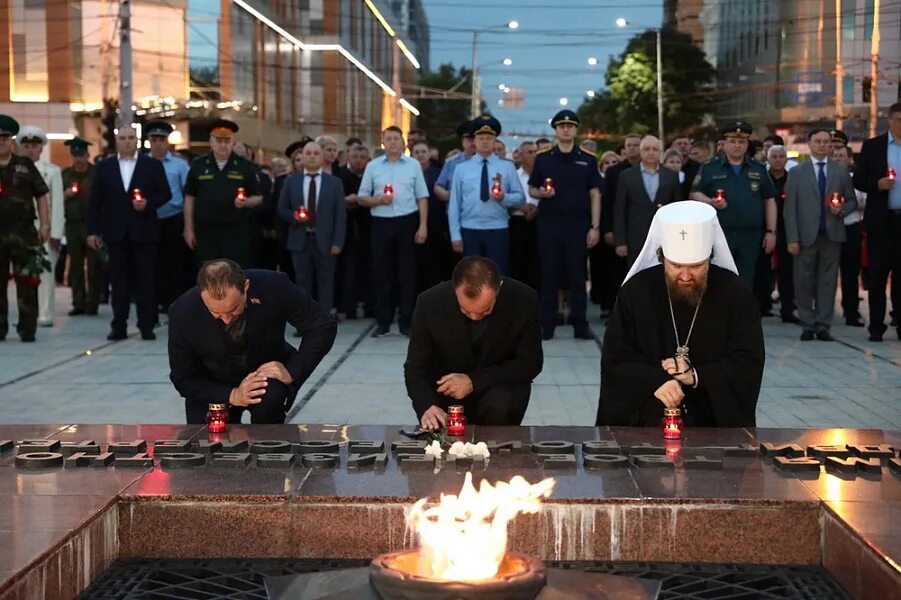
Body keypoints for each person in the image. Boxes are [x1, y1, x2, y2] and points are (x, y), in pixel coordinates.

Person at [596, 201, 764, 427]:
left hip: (712, 423)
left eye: (696, 266)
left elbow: (748, 362)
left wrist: (697, 376)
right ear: (662, 257)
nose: (685, 276)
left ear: (710, 257)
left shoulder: (736, 295)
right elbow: (615, 360)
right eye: (676, 266)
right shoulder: (636, 292)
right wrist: (655, 381)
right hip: (646, 422)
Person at [168, 259, 337, 424]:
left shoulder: (273, 286)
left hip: (264, 374)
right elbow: (183, 377)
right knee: (204, 443)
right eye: (216, 312)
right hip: (211, 383)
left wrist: (293, 370)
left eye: (233, 309)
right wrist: (233, 395)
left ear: (246, 287)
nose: (226, 319)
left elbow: (322, 326)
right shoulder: (183, 312)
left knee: (269, 407)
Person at [406, 257, 542, 429]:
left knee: (499, 404)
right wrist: (426, 406)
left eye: (485, 311)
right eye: (465, 311)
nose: (475, 317)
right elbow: (415, 368)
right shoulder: (430, 303)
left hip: (499, 388)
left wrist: (474, 381)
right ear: (454, 289)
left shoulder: (523, 300)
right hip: (447, 393)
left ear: (498, 289)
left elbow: (531, 363)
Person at [88, 125, 171, 340]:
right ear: (117, 140)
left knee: (146, 280)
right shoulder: (104, 167)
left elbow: (165, 194)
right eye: (123, 138)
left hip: (144, 232)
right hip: (116, 233)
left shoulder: (151, 165)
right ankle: (119, 325)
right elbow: (95, 201)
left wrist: (148, 203)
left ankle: (146, 325)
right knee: (119, 281)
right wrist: (93, 231)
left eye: (130, 138)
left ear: (137, 140)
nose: (127, 141)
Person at [528, 110, 602, 340]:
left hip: (578, 224)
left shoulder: (588, 159)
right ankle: (547, 324)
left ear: (576, 129)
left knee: (578, 275)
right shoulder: (544, 157)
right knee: (548, 274)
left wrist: (595, 226)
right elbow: (532, 188)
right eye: (561, 126)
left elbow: (595, 194)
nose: (566, 129)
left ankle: (580, 324)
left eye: (570, 126)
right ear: (556, 130)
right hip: (550, 223)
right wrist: (541, 193)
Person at [784, 128, 858, 341]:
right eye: (818, 142)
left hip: (832, 235)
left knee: (827, 282)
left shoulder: (840, 171)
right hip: (805, 237)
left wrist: (842, 210)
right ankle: (807, 323)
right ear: (810, 144)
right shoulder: (798, 172)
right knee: (803, 281)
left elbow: (851, 200)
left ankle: (823, 325)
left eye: (826, 142)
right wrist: (792, 238)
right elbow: (790, 209)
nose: (823, 145)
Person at [357, 126, 429, 337]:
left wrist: (422, 225)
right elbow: (362, 197)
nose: (393, 142)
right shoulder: (373, 166)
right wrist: (378, 199)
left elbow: (422, 197)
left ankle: (406, 321)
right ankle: (383, 321)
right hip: (381, 222)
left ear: (403, 142)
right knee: (381, 273)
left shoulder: (413, 165)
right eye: (388, 138)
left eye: (396, 138)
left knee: (407, 274)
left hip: (407, 222)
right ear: (383, 142)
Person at [690, 121, 777, 287]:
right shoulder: (710, 168)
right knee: (718, 280)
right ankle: (721, 313)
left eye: (742, 141)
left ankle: (741, 313)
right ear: (724, 144)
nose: (737, 145)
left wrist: (771, 232)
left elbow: (769, 200)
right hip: (719, 234)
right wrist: (710, 202)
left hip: (750, 236)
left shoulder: (758, 169)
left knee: (746, 280)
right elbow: (694, 193)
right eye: (732, 141)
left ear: (747, 144)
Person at [277, 141, 346, 317]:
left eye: (316, 153)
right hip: (300, 239)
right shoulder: (291, 181)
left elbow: (340, 215)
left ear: (322, 157)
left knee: (326, 281)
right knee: (302, 282)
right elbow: (281, 209)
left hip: (326, 240)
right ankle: (305, 321)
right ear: (302, 157)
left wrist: (338, 242)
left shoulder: (334, 182)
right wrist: (294, 217)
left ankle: (323, 321)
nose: (312, 156)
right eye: (308, 153)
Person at [448, 115, 524, 274]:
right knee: (471, 276)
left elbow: (519, 197)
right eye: (480, 137)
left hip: (497, 229)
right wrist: (455, 234)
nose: (484, 141)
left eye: (489, 138)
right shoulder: (462, 169)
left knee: (497, 274)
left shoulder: (507, 167)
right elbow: (454, 204)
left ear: (495, 140)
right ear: (474, 140)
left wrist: (504, 198)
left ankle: (499, 300)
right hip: (469, 229)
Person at [183, 119, 262, 267]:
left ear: (233, 142)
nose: (223, 145)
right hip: (206, 231)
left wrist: (246, 202)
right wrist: (188, 229)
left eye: (227, 141)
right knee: (207, 272)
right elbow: (189, 197)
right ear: (211, 142)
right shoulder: (198, 165)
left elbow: (258, 197)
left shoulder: (245, 167)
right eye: (218, 140)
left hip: (236, 231)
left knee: (234, 273)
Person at [853, 101, 901, 342]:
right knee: (877, 276)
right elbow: (859, 180)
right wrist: (877, 184)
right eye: (899, 120)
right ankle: (875, 326)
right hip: (882, 222)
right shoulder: (873, 147)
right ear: (890, 121)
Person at [0, 115, 50, 342]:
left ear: (12, 141)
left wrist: (45, 223)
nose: (1, 141)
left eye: (5, 137)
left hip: (24, 234)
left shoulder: (25, 165)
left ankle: (27, 328)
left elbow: (41, 195)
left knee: (27, 282)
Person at [17, 126, 63, 327]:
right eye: (26, 146)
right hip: (20, 230)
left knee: (46, 274)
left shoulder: (52, 171)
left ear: (41, 148)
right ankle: (26, 312)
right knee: (23, 274)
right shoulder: (14, 170)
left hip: (44, 230)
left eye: (34, 146)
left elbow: (58, 204)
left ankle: (45, 313)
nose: (30, 150)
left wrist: (56, 232)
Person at [614, 135, 682, 267]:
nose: (651, 152)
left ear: (661, 153)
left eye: (655, 149)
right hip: (635, 238)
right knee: (637, 279)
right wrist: (620, 241)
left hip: (665, 238)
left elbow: (677, 208)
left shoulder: (671, 176)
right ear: (641, 152)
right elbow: (620, 210)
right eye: (647, 149)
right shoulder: (626, 176)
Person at [145, 121, 191, 314]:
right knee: (151, 263)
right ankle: (154, 302)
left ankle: (173, 302)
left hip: (173, 218)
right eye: (154, 140)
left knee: (174, 263)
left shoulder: (180, 165)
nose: (158, 144)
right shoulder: (142, 164)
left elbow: (187, 192)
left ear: (167, 141)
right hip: (150, 218)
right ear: (148, 142)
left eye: (161, 139)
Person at [61, 137, 100, 317]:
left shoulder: (96, 173)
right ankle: (78, 302)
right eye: (75, 155)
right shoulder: (65, 175)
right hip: (73, 223)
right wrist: (65, 195)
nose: (79, 159)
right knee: (76, 265)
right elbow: (55, 197)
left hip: (92, 224)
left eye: (82, 155)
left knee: (94, 265)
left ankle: (93, 302)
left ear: (88, 155)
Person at [337, 143, 374, 318]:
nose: (358, 161)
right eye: (355, 157)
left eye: (362, 158)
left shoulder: (372, 174)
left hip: (369, 227)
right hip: (348, 228)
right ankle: (349, 307)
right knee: (349, 270)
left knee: (370, 268)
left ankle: (370, 306)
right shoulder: (341, 174)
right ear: (349, 157)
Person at [413, 140, 453, 291]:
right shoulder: (410, 172)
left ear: (429, 154)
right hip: (414, 223)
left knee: (434, 265)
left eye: (423, 152)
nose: (420, 155)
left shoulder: (438, 173)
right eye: (417, 152)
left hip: (436, 223)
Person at [833, 144, 866, 327]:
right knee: (827, 272)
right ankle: (824, 309)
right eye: (835, 155)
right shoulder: (826, 178)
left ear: (849, 159)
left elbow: (864, 202)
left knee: (850, 273)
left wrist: (846, 207)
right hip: (830, 229)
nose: (838, 158)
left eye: (842, 155)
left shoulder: (855, 179)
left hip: (850, 228)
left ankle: (851, 311)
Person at [766, 145, 798, 323]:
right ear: (768, 159)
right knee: (763, 269)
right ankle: (762, 306)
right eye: (774, 156)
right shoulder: (763, 178)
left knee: (787, 270)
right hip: (767, 228)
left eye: (781, 156)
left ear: (786, 160)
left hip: (787, 228)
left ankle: (787, 309)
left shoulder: (792, 179)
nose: (778, 159)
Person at [511, 140, 540, 291]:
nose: (534, 155)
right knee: (517, 262)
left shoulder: (544, 176)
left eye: (536, 152)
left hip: (538, 222)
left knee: (536, 263)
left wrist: (537, 209)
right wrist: (521, 206)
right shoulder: (513, 175)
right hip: (517, 222)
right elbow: (506, 196)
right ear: (520, 156)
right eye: (530, 152)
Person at [434, 121, 476, 202]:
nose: (473, 143)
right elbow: (439, 186)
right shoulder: (451, 163)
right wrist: (450, 196)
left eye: (476, 139)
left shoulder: (487, 162)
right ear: (462, 141)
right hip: (456, 211)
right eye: (470, 139)